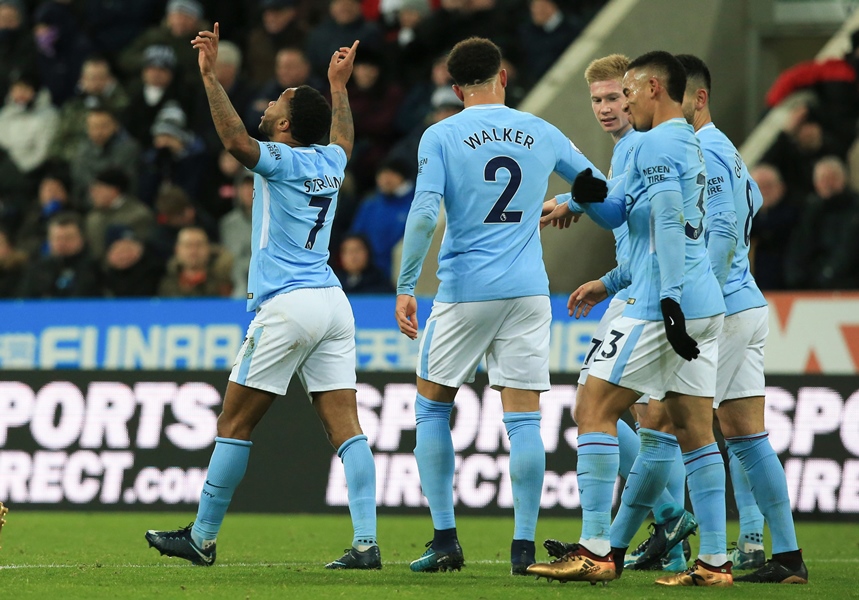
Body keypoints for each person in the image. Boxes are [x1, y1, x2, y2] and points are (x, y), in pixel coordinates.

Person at [144, 24, 380, 570]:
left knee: (234, 424)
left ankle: (202, 537)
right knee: (347, 428)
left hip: (289, 305)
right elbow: (342, 139)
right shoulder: (330, 162)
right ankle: (366, 543)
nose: (270, 100)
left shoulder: (285, 158)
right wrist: (338, 89)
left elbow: (234, 143)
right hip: (332, 305)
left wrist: (208, 77)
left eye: (278, 100)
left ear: (286, 126)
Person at [394, 37, 606, 576]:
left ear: (455, 87)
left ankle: (445, 538)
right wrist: (569, 204)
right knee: (524, 421)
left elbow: (423, 214)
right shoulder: (540, 130)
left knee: (432, 408)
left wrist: (404, 283)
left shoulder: (441, 134)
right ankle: (523, 550)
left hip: (466, 291)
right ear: (503, 77)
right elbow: (598, 186)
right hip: (530, 291)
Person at [528, 51, 728, 586]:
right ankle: (714, 560)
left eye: (628, 91)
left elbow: (664, 215)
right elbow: (622, 211)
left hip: (661, 301)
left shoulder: (654, 141)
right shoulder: (678, 138)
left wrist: (667, 300)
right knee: (692, 430)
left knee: (592, 407)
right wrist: (585, 199)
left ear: (652, 88)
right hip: (702, 302)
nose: (623, 100)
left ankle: (596, 550)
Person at [676, 53, 808, 584]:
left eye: (670, 95)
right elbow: (747, 214)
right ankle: (782, 553)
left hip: (724, 310)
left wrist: (698, 298)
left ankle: (690, 544)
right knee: (745, 436)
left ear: (699, 98)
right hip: (744, 302)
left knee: (676, 422)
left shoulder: (705, 149)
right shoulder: (731, 152)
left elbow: (727, 231)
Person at [784, 156, 859, 289]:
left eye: (833, 178)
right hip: (814, 284)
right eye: (823, 179)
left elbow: (848, 249)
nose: (828, 184)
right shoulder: (809, 211)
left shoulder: (854, 209)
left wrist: (829, 273)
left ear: (844, 179)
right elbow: (800, 246)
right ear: (816, 183)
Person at [349, 159, 415, 278]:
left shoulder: (415, 205)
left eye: (392, 174)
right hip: (371, 275)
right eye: (382, 174)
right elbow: (356, 237)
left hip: (404, 273)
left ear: (403, 177)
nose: (386, 179)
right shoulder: (370, 205)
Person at [18, 212, 101, 298]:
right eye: (57, 238)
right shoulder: (38, 268)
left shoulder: (95, 269)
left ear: (82, 239)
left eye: (68, 238)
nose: (61, 243)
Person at [84, 168, 154, 261]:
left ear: (114, 190)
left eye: (98, 189)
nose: (93, 194)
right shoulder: (93, 216)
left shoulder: (139, 216)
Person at [156, 225, 233, 297]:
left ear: (208, 248)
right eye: (188, 245)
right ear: (177, 250)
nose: (193, 251)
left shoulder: (224, 280)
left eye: (199, 245)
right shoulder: (166, 284)